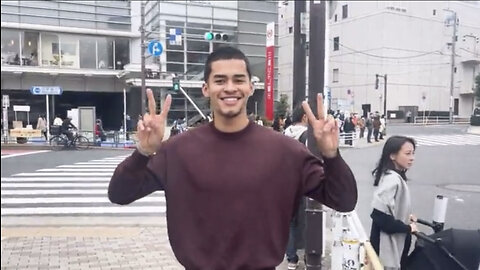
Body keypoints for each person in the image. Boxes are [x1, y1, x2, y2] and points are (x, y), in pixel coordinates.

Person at [108, 46, 357, 269]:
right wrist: (142, 152)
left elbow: (344, 200)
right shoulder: (177, 151)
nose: (230, 88)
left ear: (251, 87)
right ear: (206, 88)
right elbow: (120, 194)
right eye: (220, 80)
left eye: (239, 80)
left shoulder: (286, 151)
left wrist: (331, 154)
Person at [370, 136, 418, 270]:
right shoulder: (393, 180)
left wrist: (405, 216)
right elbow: (380, 216)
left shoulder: (394, 177)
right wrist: (408, 228)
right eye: (407, 153)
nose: (412, 157)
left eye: (413, 153)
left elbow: (389, 209)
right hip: (386, 248)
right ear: (392, 155)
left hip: (392, 246)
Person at [282, 104, 308, 269]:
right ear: (305, 117)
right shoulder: (306, 135)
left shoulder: (285, 133)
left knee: (289, 221)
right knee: (304, 219)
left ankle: (291, 257)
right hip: (300, 182)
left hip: (283, 182)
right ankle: (304, 255)